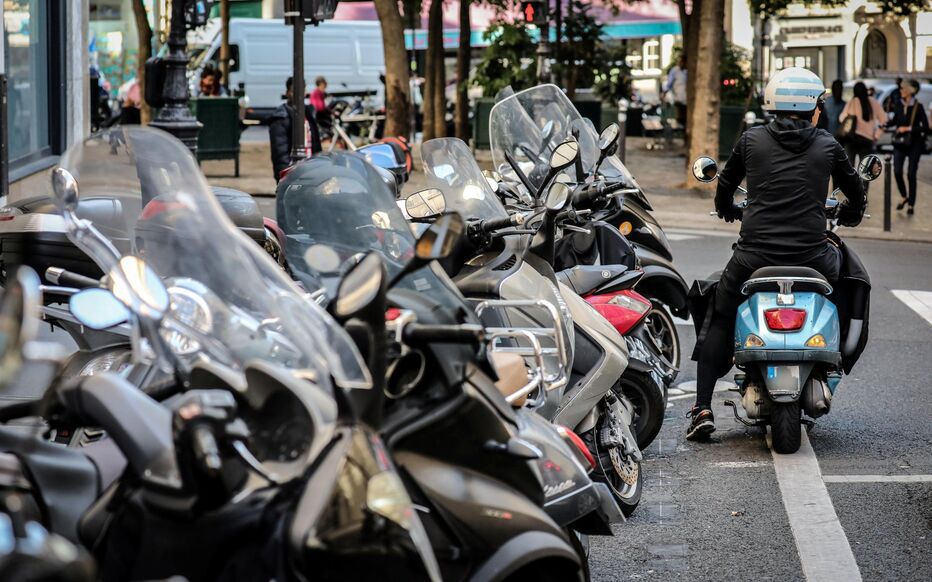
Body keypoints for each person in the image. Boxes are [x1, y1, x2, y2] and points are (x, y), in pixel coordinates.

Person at [686, 67, 866, 440]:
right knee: (851, 283)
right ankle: (836, 361)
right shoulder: (828, 145)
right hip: (814, 258)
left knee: (719, 312)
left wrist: (727, 209)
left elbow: (727, 185)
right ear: (812, 107)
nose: (820, 110)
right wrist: (850, 213)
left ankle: (702, 407)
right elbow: (856, 196)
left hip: (753, 258)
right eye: (819, 104)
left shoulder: (751, 140)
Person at [268, 76, 322, 182]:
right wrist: (285, 177)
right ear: (287, 93)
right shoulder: (281, 117)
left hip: (311, 172)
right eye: (294, 92)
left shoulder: (309, 113)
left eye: (301, 91)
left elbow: (316, 146)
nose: (298, 95)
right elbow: (280, 153)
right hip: (293, 176)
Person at [890, 79, 929, 215]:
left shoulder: (918, 106)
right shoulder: (898, 105)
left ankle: (911, 204)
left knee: (912, 174)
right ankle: (904, 196)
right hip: (900, 143)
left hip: (914, 144)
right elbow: (894, 121)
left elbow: (925, 127)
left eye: (903, 88)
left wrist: (908, 128)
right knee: (897, 171)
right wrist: (883, 124)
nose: (900, 90)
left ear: (910, 91)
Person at [838, 82, 885, 167]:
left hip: (851, 139)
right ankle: (863, 181)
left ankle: (852, 181)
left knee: (849, 168)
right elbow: (884, 121)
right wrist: (877, 135)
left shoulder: (852, 102)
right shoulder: (873, 102)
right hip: (867, 139)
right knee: (865, 169)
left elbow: (841, 118)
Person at [663, 54, 688, 132]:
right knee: (680, 119)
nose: (680, 63)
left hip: (688, 100)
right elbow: (669, 84)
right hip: (679, 99)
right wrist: (664, 93)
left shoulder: (688, 71)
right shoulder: (675, 71)